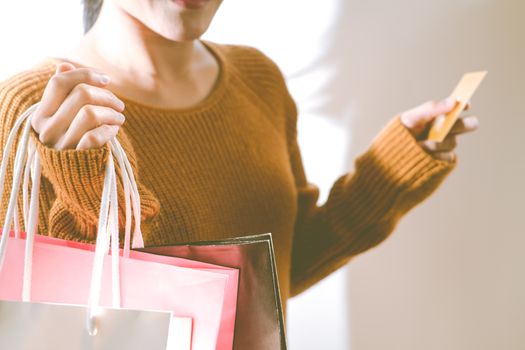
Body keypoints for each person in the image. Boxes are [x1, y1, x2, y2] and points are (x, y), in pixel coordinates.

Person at [0, 0, 478, 316]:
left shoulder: (258, 79)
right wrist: (86, 178)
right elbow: (51, 314)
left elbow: (275, 273)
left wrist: (396, 167)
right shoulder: (32, 109)